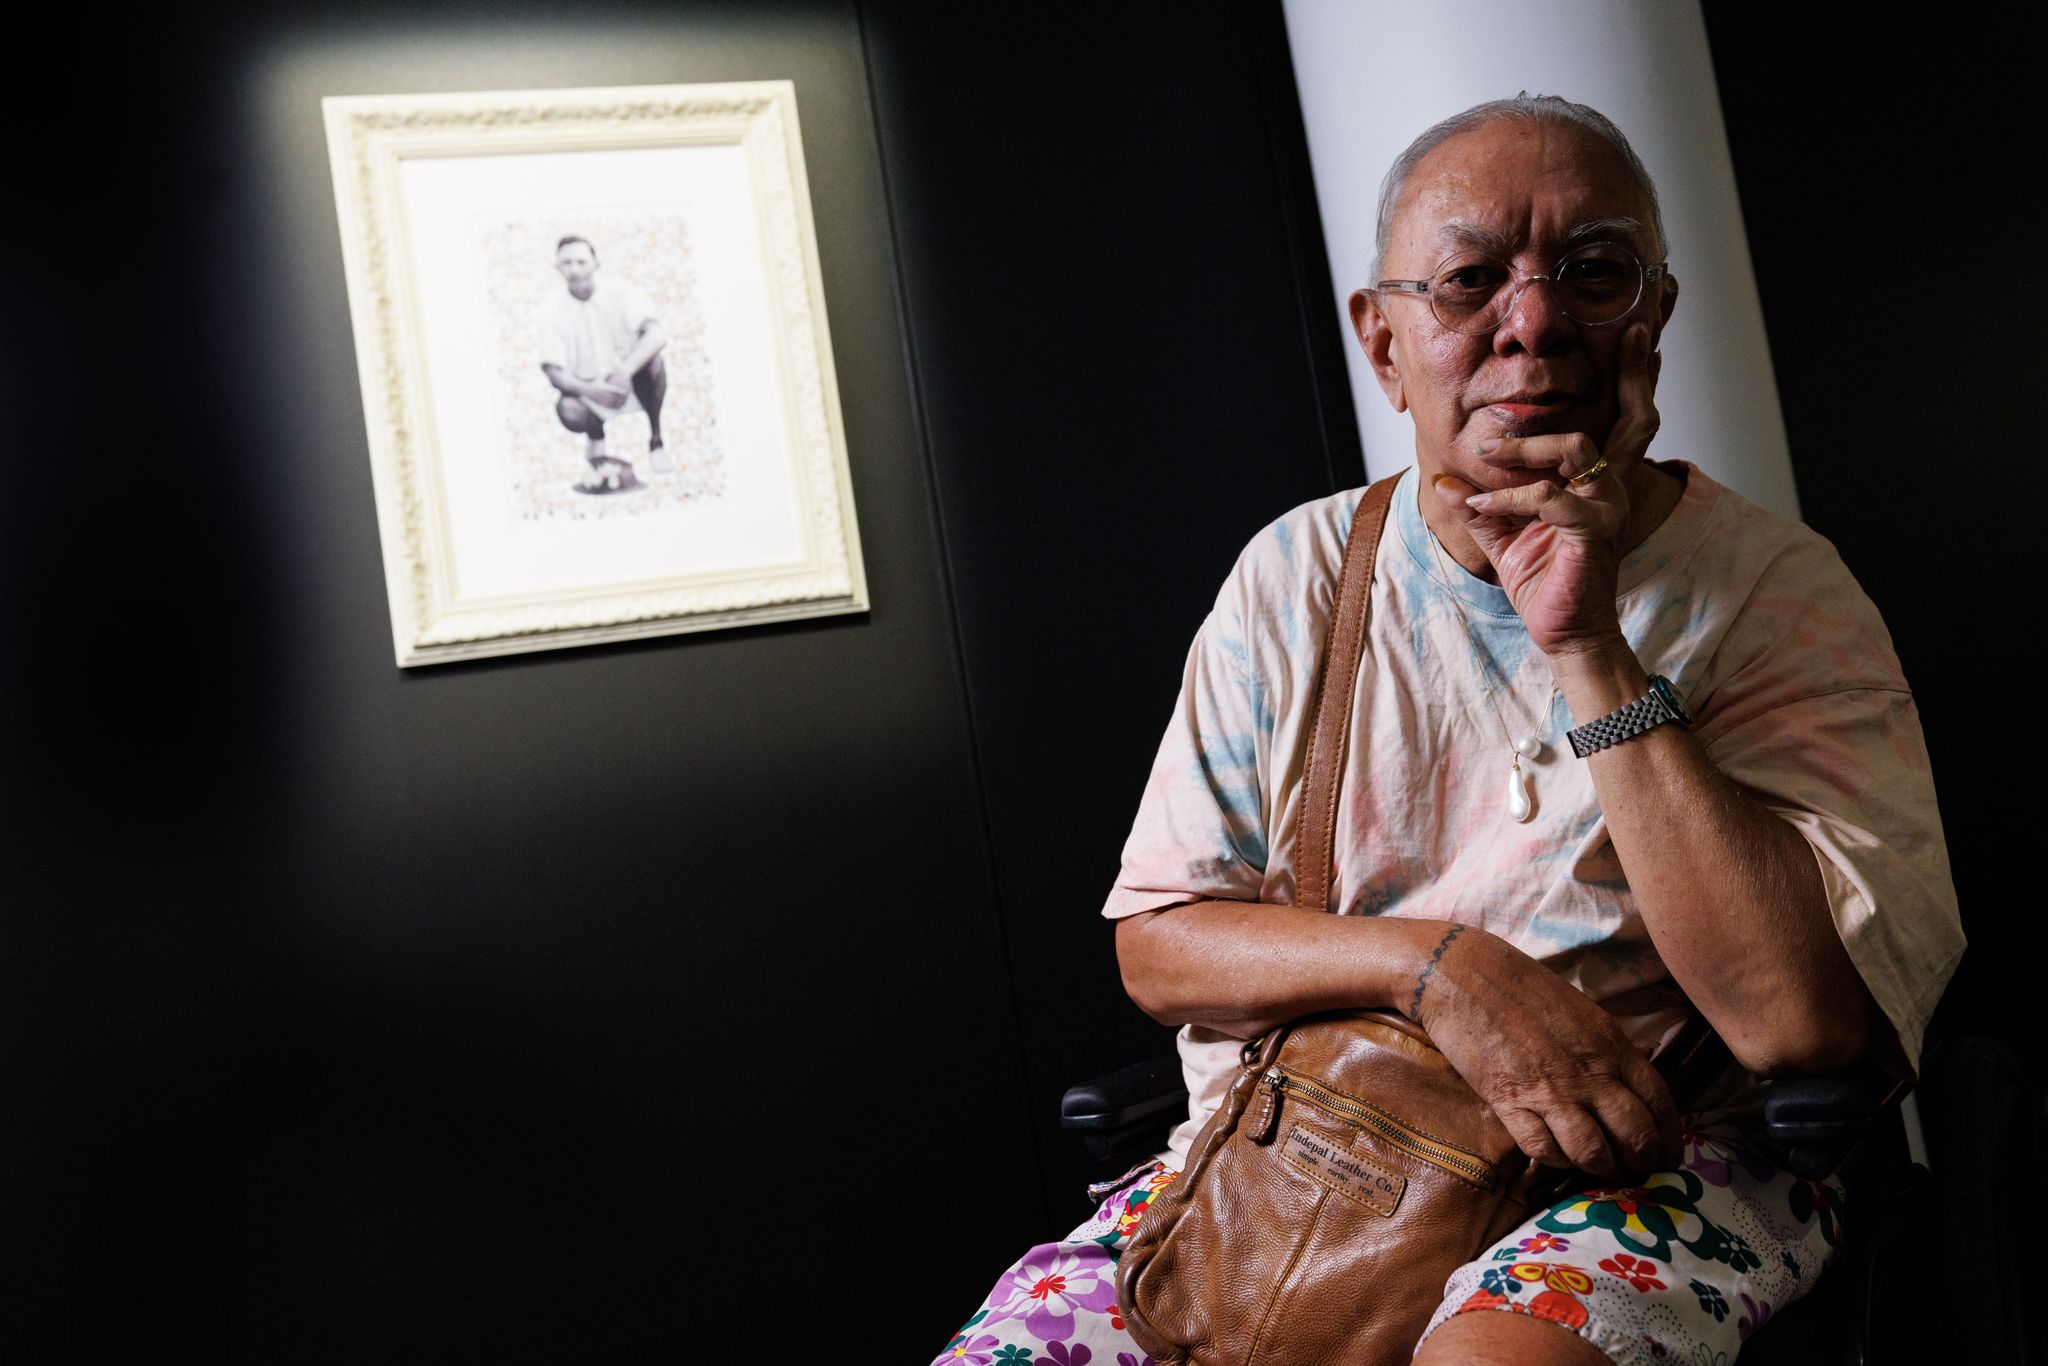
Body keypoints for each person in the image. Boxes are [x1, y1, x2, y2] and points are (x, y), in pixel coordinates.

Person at [933, 96, 1962, 1366]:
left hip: (1645, 1169)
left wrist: (1588, 643)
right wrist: (1434, 969)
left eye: (1590, 273)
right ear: (1381, 340)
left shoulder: (1777, 593)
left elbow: (1796, 1024)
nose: (1530, 324)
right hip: (1309, 1149)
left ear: (1652, 316)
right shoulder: (1298, 572)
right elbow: (1158, 943)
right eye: (1469, 279)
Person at [535, 235, 670, 493]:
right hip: (589, 391)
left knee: (655, 364)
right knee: (567, 409)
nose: (574, 270)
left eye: (581, 262)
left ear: (597, 263)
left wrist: (625, 370)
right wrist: (591, 390)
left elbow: (657, 334)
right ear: (557, 267)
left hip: (631, 382)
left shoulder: (621, 292)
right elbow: (553, 371)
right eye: (567, 263)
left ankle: (656, 441)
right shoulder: (549, 310)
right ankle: (596, 437)